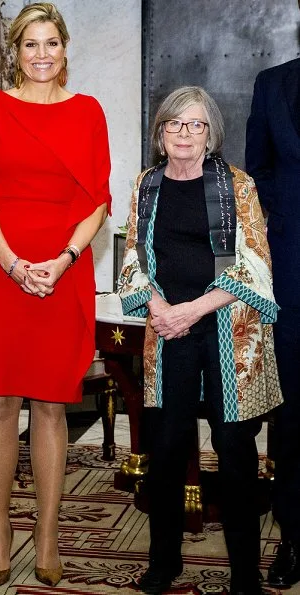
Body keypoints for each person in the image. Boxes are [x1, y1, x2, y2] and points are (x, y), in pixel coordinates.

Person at [0, 2, 111, 589]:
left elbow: (97, 198)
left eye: (51, 43)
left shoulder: (88, 111)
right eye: (31, 44)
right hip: (0, 265)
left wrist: (62, 260)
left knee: (51, 405)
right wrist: (12, 262)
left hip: (61, 267)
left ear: (66, 50)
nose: (42, 54)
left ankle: (47, 532)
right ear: (15, 51)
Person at [117, 86, 282, 595]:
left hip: (228, 328)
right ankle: (164, 563)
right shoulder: (146, 185)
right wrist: (160, 309)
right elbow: (132, 257)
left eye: (195, 125)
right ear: (160, 134)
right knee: (165, 449)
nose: (184, 134)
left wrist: (193, 308)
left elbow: (255, 262)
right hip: (168, 329)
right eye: (174, 125)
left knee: (235, 454)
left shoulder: (237, 184)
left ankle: (245, 576)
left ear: (210, 134)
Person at [246, 57, 300, 589]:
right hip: (291, 274)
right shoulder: (273, 84)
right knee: (293, 416)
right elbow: (255, 169)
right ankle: (293, 536)